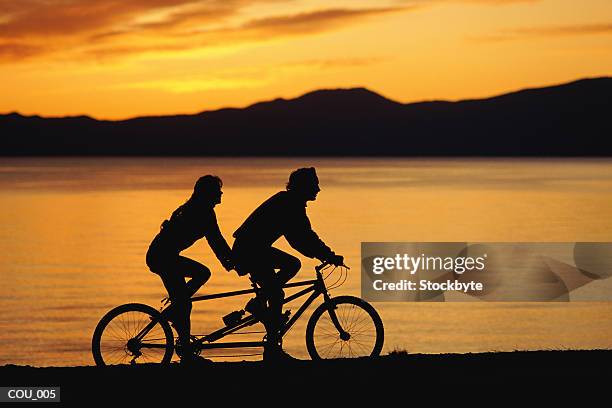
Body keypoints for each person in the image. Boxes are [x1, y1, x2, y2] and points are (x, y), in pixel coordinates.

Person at [232, 167, 344, 361]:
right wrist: (328, 255)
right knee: (281, 283)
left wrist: (324, 254)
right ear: (304, 186)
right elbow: (303, 238)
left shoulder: (290, 202)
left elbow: (300, 238)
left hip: (252, 248)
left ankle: (269, 338)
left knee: (279, 286)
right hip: (250, 250)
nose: (318, 189)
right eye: (315, 185)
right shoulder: (290, 204)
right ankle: (270, 343)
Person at [146, 175, 233, 364]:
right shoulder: (202, 212)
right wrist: (231, 262)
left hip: (162, 255)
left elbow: (216, 242)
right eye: (218, 190)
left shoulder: (195, 209)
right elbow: (216, 241)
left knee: (184, 303)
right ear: (208, 193)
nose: (221, 193)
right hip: (162, 257)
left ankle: (175, 312)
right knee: (195, 286)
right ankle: (186, 353)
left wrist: (230, 262)